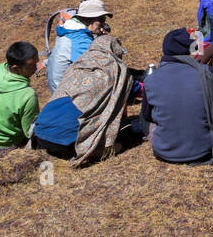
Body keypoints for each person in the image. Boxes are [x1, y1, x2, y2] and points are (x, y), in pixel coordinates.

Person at [32, 34, 136, 165]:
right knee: (119, 145)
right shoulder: (115, 71)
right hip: (65, 144)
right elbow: (132, 90)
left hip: (40, 135)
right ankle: (91, 150)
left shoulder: (76, 66)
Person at [144, 28, 213, 164]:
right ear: (189, 49)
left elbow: (147, 116)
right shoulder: (207, 72)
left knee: (144, 118)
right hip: (204, 149)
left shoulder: (151, 79)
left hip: (165, 151)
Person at [46, 0, 112, 92]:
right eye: (101, 19)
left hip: (60, 90)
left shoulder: (70, 31)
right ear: (89, 19)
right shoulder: (79, 39)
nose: (104, 24)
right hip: (68, 96)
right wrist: (104, 41)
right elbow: (100, 67)